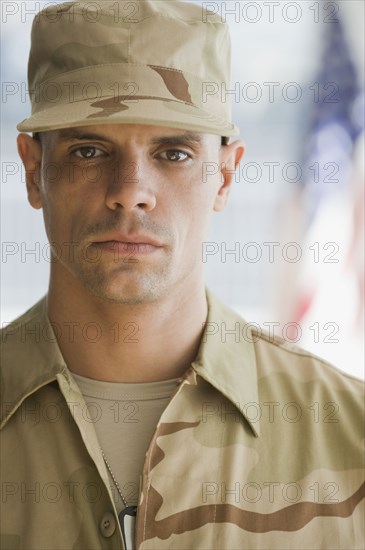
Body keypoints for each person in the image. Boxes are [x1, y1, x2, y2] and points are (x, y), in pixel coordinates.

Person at [1, 1, 364, 548]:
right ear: (35, 170)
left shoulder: (351, 437)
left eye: (173, 153)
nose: (131, 190)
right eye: (90, 149)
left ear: (225, 175)